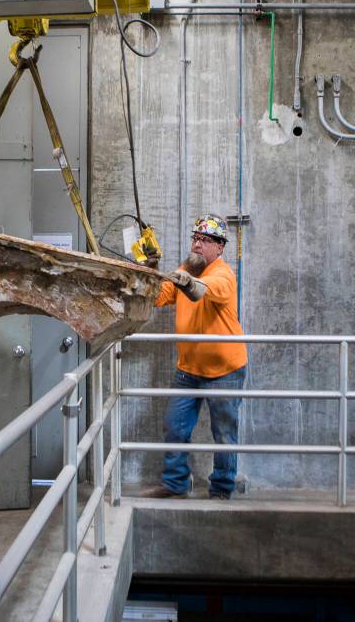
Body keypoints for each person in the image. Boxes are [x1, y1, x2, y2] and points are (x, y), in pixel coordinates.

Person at [144, 213, 247, 500]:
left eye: (205, 240)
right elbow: (158, 296)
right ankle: (175, 483)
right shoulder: (187, 267)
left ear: (220, 247)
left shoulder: (222, 274)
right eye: (195, 238)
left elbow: (201, 291)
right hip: (188, 370)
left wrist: (185, 280)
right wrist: (149, 268)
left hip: (224, 370)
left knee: (224, 434)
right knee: (174, 426)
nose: (198, 245)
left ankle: (221, 489)